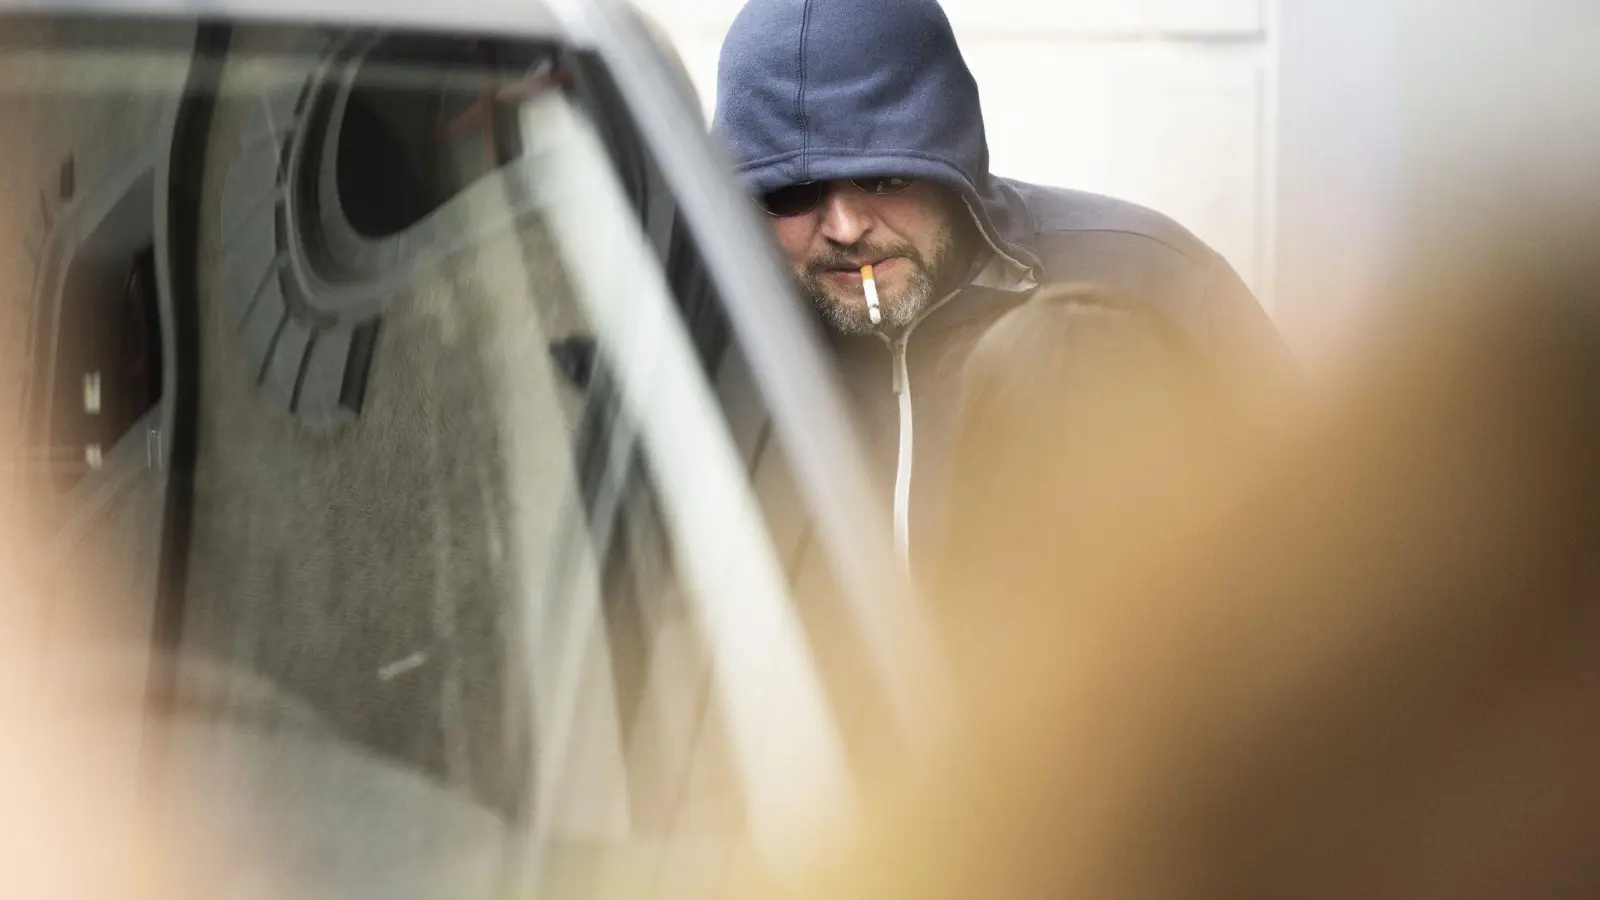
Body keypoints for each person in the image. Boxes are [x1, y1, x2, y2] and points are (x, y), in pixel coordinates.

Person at [712, 0, 1294, 575]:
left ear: (952, 162)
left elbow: (1314, 556)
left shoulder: (1158, 283)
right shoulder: (702, 342)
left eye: (885, 176)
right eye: (791, 191)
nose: (844, 228)